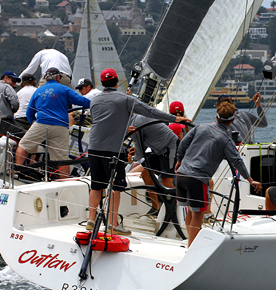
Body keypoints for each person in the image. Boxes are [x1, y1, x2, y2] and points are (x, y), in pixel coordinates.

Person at [87, 68, 191, 236]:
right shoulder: (125, 99)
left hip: (93, 148)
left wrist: (123, 128)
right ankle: (113, 224)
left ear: (102, 83)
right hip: (113, 150)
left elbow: (100, 123)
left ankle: (91, 220)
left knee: (96, 185)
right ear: (116, 82)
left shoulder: (94, 101)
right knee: (115, 187)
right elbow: (150, 111)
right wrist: (174, 118)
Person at [175, 98, 261, 247]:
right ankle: (192, 248)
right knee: (197, 215)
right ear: (232, 119)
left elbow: (183, 143)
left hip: (181, 175)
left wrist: (179, 160)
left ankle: (190, 242)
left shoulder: (200, 127)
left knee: (190, 210)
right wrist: (250, 179)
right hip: (197, 179)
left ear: (216, 116)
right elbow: (237, 161)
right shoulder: (226, 140)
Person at [15, 68, 91, 179]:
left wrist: (33, 124)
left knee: (23, 146)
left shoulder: (38, 91)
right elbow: (83, 101)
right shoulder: (64, 89)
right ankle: (64, 182)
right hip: (61, 127)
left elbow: (29, 112)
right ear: (57, 77)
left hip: (41, 124)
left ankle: (17, 172)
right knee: (61, 159)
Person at [130, 112, 179, 211]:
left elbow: (139, 153)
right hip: (158, 150)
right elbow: (142, 144)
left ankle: (175, 211)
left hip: (170, 147)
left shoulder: (134, 123)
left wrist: (131, 159)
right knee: (146, 173)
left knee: (166, 180)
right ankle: (155, 207)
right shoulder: (134, 119)